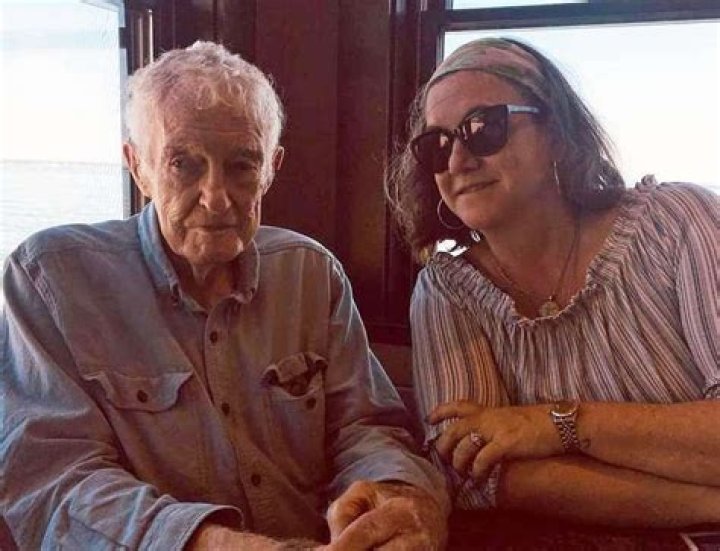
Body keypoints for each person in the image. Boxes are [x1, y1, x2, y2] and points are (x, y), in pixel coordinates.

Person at [0, 41, 449, 550]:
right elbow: (55, 482)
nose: (216, 198)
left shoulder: (311, 272)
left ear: (271, 167)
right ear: (138, 167)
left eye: (241, 165)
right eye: (183, 164)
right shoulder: (51, 279)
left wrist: (397, 496)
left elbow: (365, 428)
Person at [386, 37, 719, 527]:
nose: (457, 161)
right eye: (437, 144)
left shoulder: (679, 223)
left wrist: (555, 424)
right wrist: (706, 504)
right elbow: (475, 474)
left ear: (558, 134)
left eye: (483, 128)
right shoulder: (447, 292)